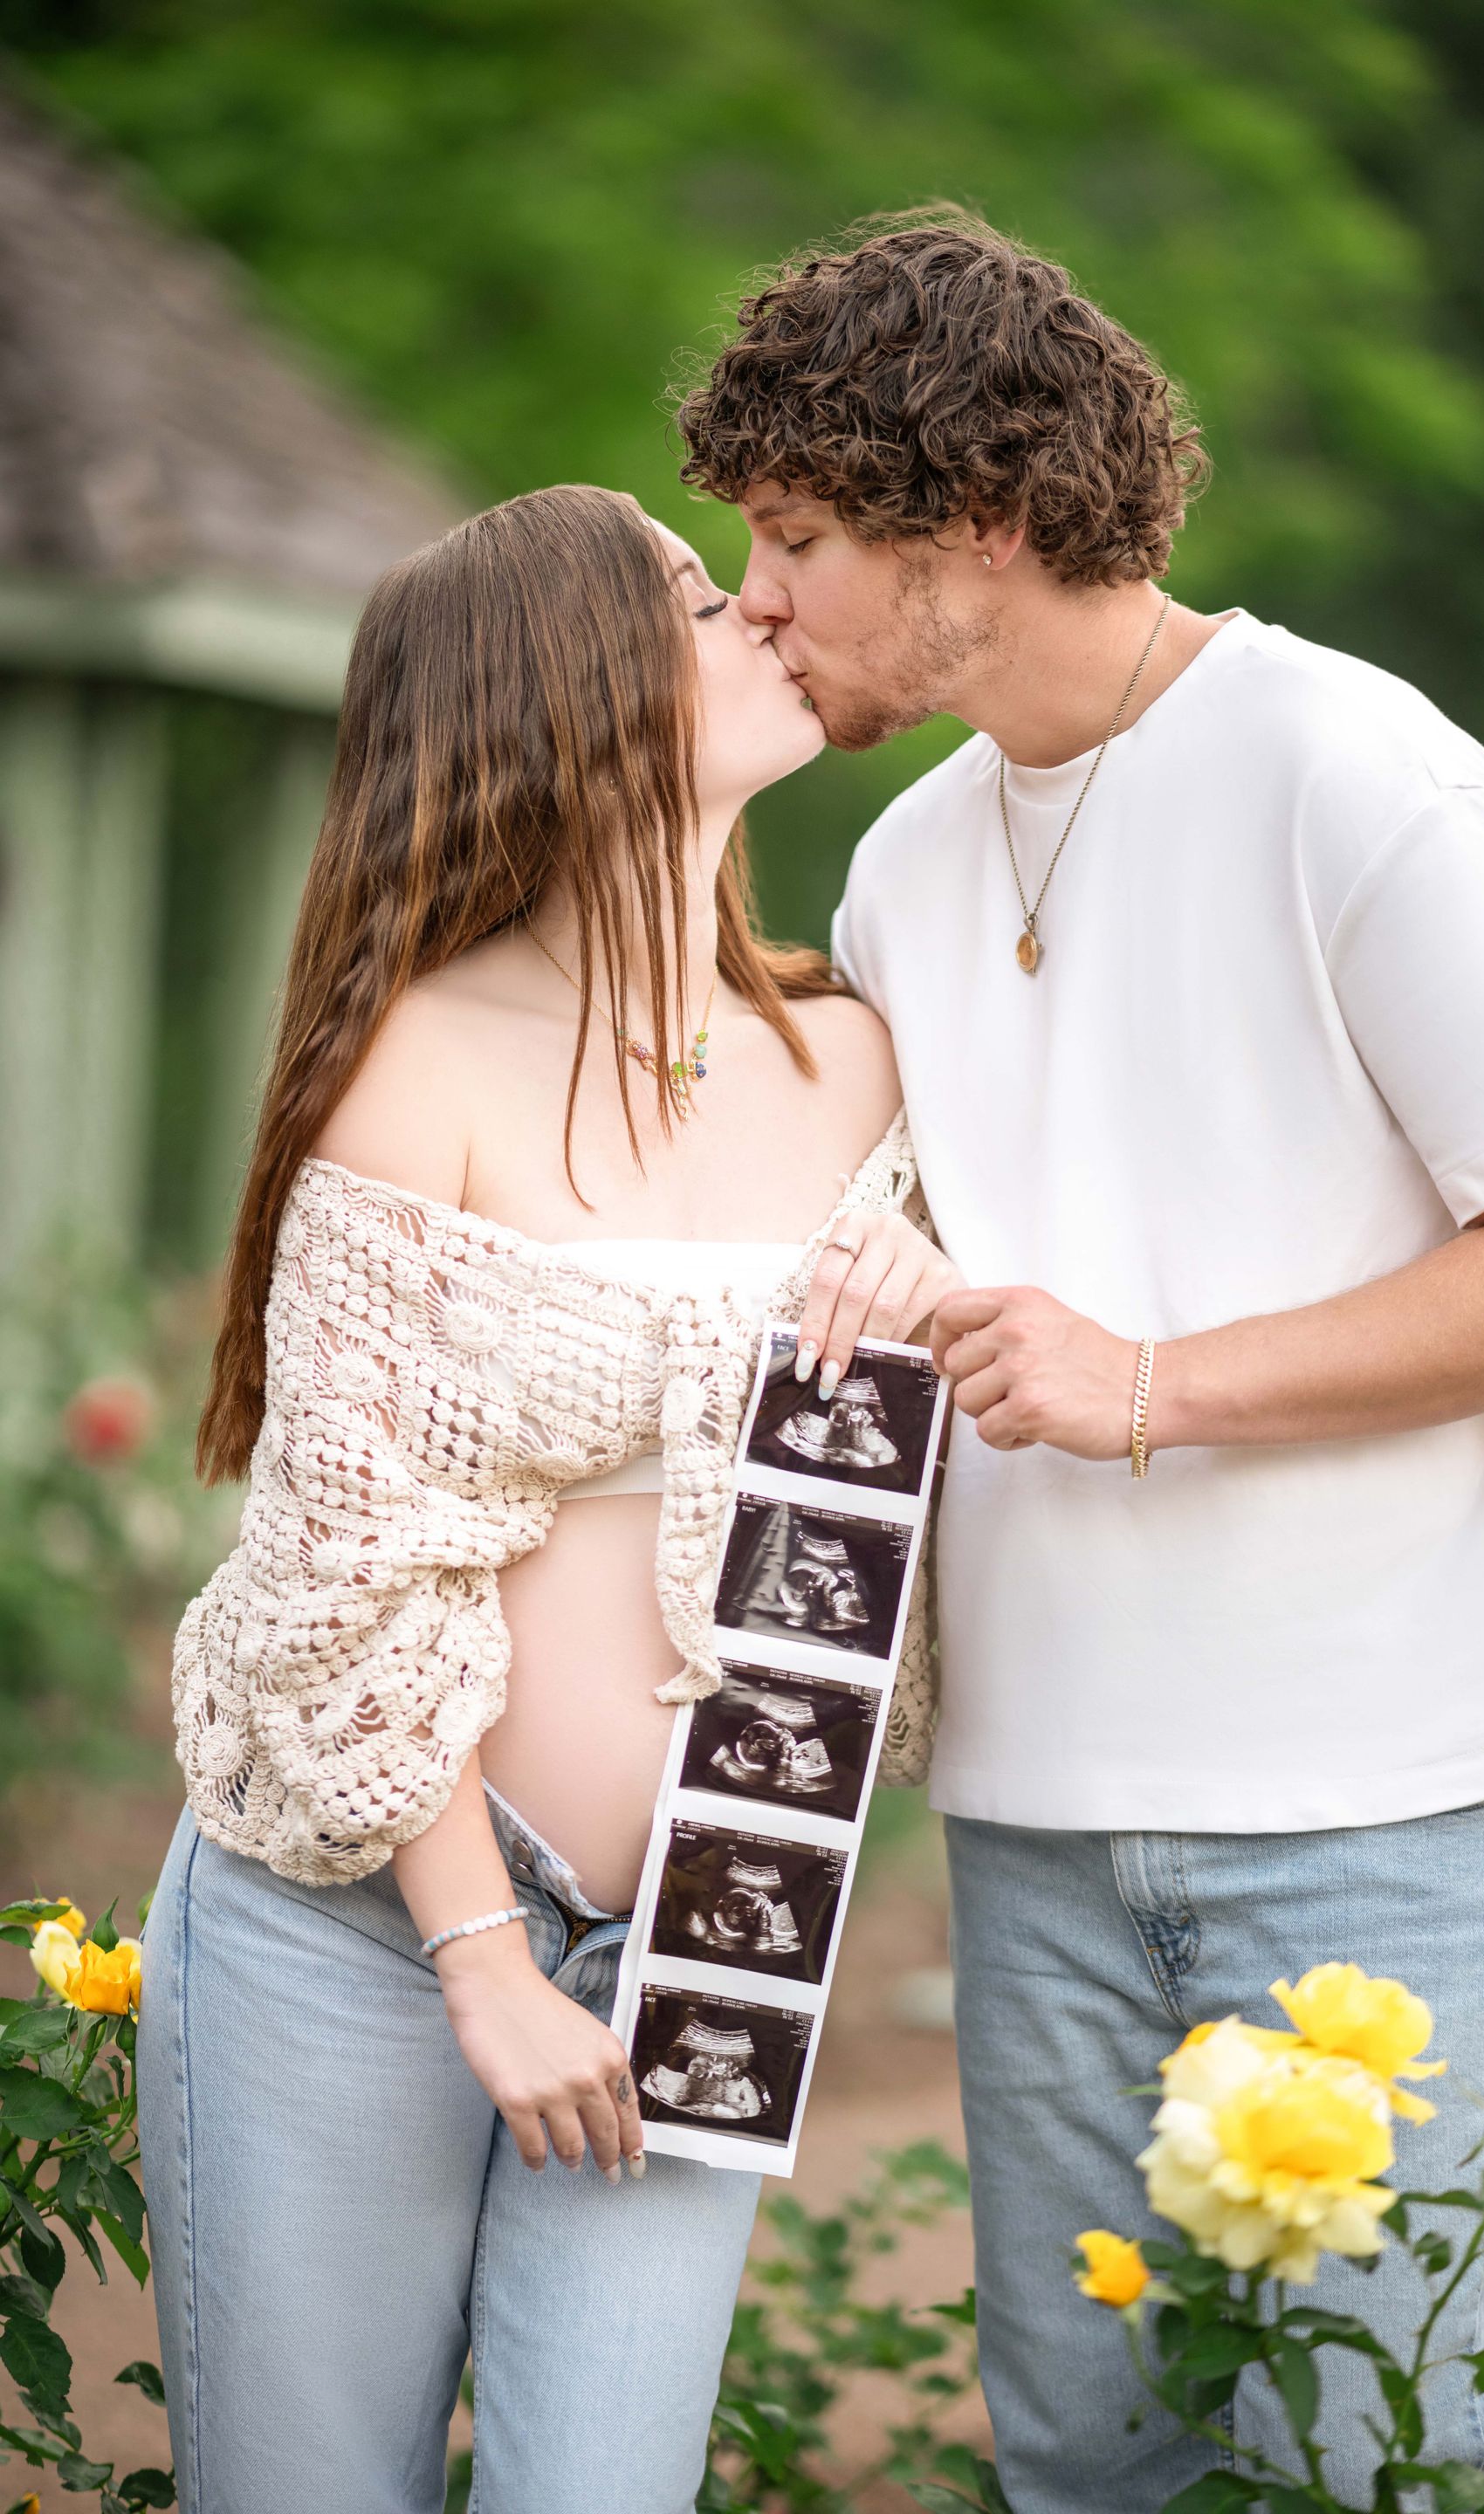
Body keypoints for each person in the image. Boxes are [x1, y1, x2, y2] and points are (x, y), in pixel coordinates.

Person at [676, 216, 1484, 2511]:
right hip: (1032, 1813)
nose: (760, 594)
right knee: (1087, 2467)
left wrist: (1155, 1380)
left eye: (804, 537)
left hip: (1375, 1803)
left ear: (993, 526)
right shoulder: (917, 863)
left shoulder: (1366, 783)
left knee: (1367, 2467)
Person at [134, 482, 957, 2514]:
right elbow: (348, 1561)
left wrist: (941, 1292)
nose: (761, 609)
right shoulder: (417, 1063)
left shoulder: (860, 1063)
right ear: (568, 689)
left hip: (702, 1940)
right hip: (359, 1929)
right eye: (695, 600)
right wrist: (481, 1962)